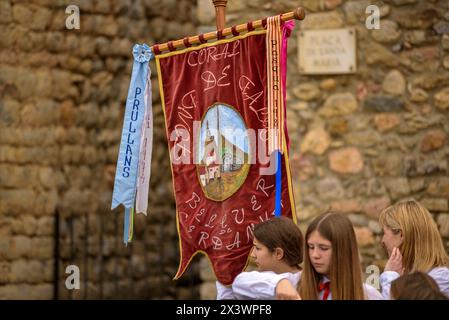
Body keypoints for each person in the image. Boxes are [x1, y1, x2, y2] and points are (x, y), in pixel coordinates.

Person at [275, 212, 383, 300]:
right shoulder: (294, 285)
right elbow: (258, 280)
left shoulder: (368, 295)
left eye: (323, 248)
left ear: (342, 250)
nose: (315, 255)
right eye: (311, 247)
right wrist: (280, 283)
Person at [216, 216, 304, 299]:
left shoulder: (306, 281)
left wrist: (278, 283)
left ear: (278, 253)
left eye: (258, 248)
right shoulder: (260, 280)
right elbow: (239, 283)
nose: (252, 255)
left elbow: (238, 282)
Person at [379, 199, 449, 299]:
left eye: (384, 233)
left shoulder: (439, 278)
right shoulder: (407, 271)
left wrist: (390, 278)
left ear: (401, 234)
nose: (382, 240)